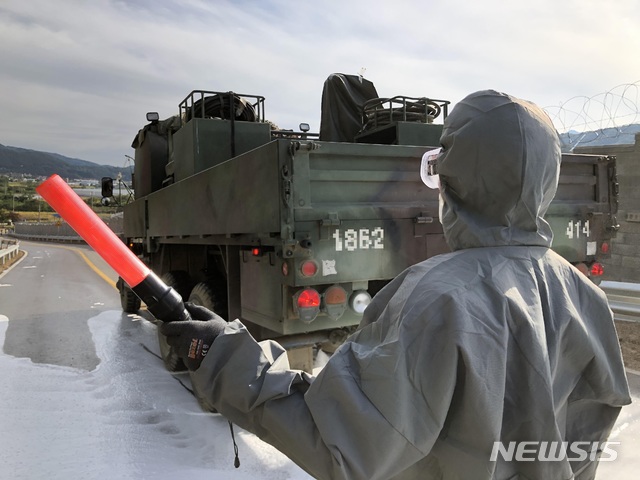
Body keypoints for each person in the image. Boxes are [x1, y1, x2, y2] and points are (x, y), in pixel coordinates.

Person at [160, 90, 631, 480]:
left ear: (452, 181)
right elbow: (583, 441)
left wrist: (222, 357)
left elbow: (340, 445)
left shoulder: (437, 299)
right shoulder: (586, 298)